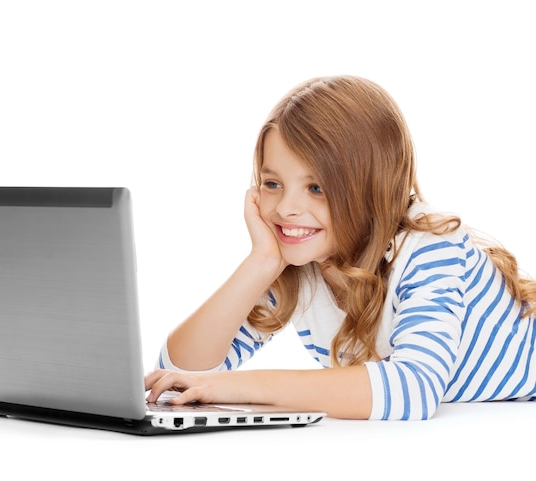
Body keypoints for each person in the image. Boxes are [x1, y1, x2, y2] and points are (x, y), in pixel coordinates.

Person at [144, 75, 536, 420]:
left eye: (316, 188)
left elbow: (414, 389)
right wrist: (260, 262)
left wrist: (237, 388)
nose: (286, 208)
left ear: (370, 189)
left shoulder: (429, 245)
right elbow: (177, 376)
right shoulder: (299, 266)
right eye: (272, 183)